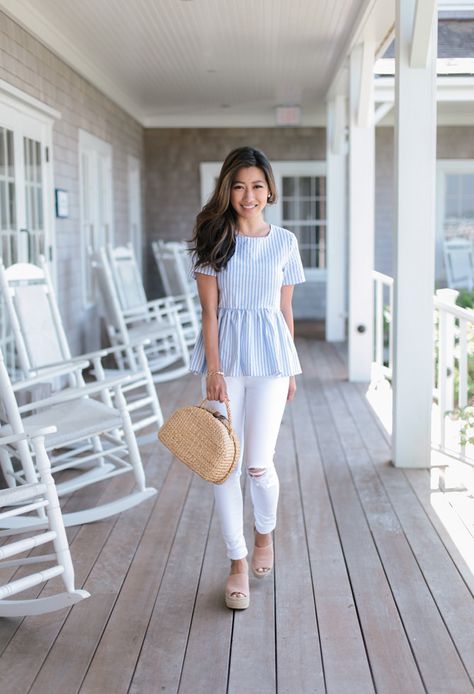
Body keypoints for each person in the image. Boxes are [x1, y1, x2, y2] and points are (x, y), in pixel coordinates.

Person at [189, 146, 305, 610]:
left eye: (257, 185)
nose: (248, 194)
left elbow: (285, 309)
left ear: (269, 190)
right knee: (224, 467)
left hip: (272, 362)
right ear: (227, 190)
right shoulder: (212, 238)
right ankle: (236, 562)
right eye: (239, 185)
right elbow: (209, 313)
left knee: (258, 464)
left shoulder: (285, 242)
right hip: (227, 365)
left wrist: (290, 366)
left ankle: (264, 534)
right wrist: (214, 373)